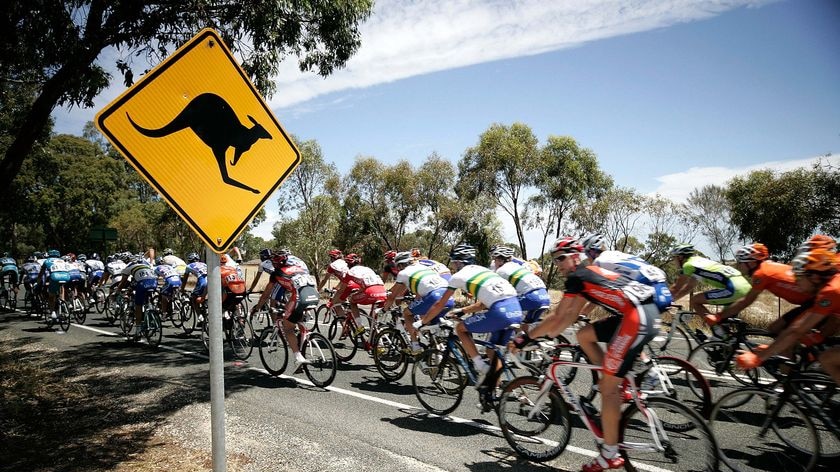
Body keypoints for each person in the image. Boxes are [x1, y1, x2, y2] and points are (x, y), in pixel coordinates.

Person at [512, 236, 660, 472]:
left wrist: (526, 337)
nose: (557, 264)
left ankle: (609, 454)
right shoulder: (585, 275)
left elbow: (559, 317)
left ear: (575, 256)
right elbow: (568, 318)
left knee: (607, 389)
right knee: (584, 335)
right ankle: (615, 381)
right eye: (554, 259)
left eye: (561, 258)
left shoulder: (578, 276)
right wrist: (546, 335)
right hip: (641, 312)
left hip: (637, 317)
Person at [421, 243, 523, 390]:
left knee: (461, 328)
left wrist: (422, 322)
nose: (454, 266)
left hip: (500, 312)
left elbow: (439, 304)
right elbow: (484, 303)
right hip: (516, 309)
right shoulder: (485, 270)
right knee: (493, 351)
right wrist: (463, 310)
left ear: (458, 262)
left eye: (454, 262)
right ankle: (494, 392)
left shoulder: (457, 277)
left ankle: (479, 365)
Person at [737, 248, 840, 385]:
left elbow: (796, 330)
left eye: (798, 277)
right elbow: (832, 320)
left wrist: (759, 357)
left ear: (814, 277)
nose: (796, 282)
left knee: (827, 358)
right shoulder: (830, 287)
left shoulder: (831, 291)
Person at [716, 243, 815, 334]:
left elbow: (745, 301)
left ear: (751, 263)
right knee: (774, 329)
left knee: (783, 335)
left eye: (740, 262)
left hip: (813, 302)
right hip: (808, 302)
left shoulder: (761, 274)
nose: (738, 266)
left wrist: (719, 316)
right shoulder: (766, 266)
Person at [252, 250, 319, 370]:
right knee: (296, 319)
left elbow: (267, 293)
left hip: (299, 298)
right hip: (314, 295)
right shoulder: (298, 268)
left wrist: (257, 308)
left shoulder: (277, 273)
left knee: (288, 328)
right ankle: (302, 340)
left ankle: (298, 357)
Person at [381, 251, 454, 354]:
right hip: (449, 297)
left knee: (407, 313)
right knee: (430, 322)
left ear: (401, 264)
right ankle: (437, 349)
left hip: (433, 296)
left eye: (398, 267)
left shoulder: (403, 273)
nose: (398, 269)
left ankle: (415, 346)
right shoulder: (424, 267)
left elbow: (393, 296)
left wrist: (384, 309)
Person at [580, 233, 672, 313]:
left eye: (587, 254)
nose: (587, 258)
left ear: (592, 252)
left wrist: (583, 312)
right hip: (660, 284)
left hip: (649, 289)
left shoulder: (599, 262)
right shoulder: (615, 254)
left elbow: (597, 293)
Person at [668, 244, 751, 329]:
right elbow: (688, 288)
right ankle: (726, 338)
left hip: (734, 288)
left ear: (680, 257)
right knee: (725, 324)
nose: (673, 261)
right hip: (745, 286)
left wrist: (663, 301)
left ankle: (717, 330)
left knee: (695, 300)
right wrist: (672, 300)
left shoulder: (688, 265)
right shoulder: (698, 261)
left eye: (674, 258)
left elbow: (676, 288)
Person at [326, 253, 387, 334]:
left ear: (348, 264)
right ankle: (377, 337)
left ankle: (359, 326)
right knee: (373, 317)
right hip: (383, 291)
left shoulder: (350, 272)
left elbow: (341, 290)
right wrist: (357, 292)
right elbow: (364, 286)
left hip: (371, 291)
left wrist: (332, 302)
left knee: (352, 301)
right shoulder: (367, 269)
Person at [490, 245, 550, 325]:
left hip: (531, 297)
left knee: (503, 313)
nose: (494, 262)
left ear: (500, 260)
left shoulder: (501, 271)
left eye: (495, 260)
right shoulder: (517, 265)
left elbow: (495, 290)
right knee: (524, 326)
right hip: (544, 295)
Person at [116, 254, 158, 339]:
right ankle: (151, 312)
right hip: (154, 282)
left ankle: (138, 329)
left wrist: (118, 290)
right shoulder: (146, 265)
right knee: (147, 298)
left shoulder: (128, 267)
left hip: (142, 283)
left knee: (138, 305)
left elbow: (123, 282)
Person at [38, 249, 71, 321]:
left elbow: (42, 272)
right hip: (66, 276)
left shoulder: (47, 261)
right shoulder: (62, 260)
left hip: (55, 276)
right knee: (62, 287)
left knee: (51, 295)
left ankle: (52, 312)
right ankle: (63, 302)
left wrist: (39, 280)